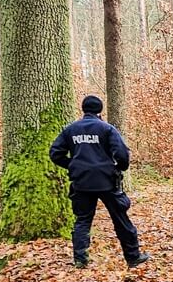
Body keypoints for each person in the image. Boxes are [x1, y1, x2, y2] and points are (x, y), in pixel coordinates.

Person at [48, 95, 150, 269]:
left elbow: (55, 153)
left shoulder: (71, 130)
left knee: (82, 220)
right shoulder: (107, 129)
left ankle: (80, 259)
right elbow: (122, 154)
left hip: (81, 182)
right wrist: (119, 167)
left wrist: (72, 165)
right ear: (100, 110)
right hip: (107, 181)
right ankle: (133, 257)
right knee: (121, 219)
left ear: (84, 109)